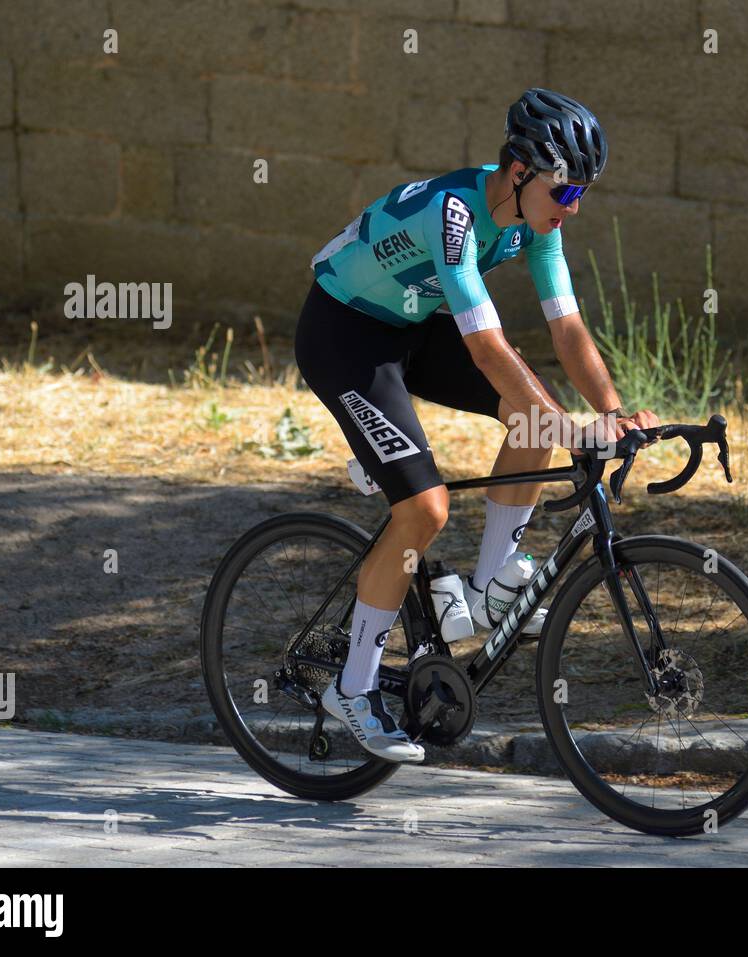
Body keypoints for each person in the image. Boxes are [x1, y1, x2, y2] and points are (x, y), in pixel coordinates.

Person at [295, 88, 660, 763]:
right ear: (520, 174)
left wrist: (610, 410)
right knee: (424, 509)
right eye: (566, 192)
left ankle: (495, 581)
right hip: (343, 332)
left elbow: (567, 326)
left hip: (406, 325)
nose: (573, 207)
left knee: (535, 413)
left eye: (582, 193)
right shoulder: (455, 214)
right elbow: (488, 349)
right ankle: (352, 685)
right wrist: (566, 426)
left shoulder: (533, 224)